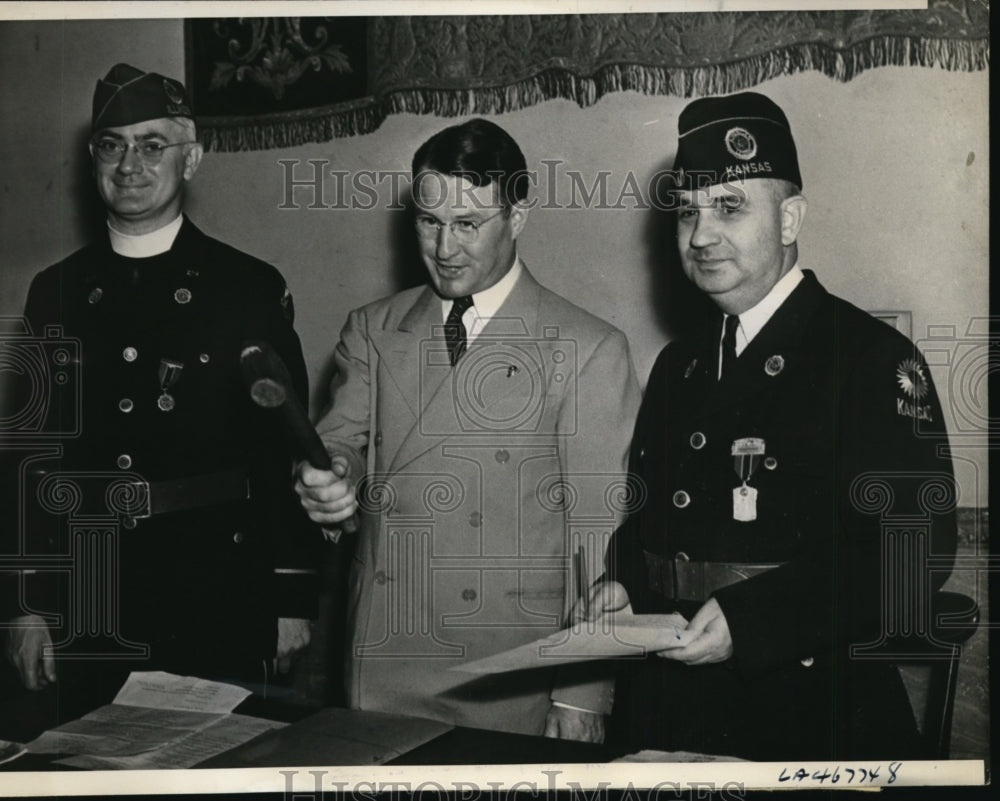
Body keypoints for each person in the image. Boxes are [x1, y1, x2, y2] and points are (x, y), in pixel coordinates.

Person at [582, 92, 957, 760]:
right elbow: (656, 521)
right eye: (688, 211)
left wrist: (752, 621)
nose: (700, 235)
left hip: (804, 715)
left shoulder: (868, 357)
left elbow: (912, 554)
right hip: (667, 710)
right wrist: (623, 582)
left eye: (729, 207)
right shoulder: (679, 365)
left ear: (790, 219)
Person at [0, 64, 320, 736]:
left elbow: (285, 452)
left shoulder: (246, 288)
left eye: (153, 145)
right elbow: (28, 457)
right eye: (113, 144)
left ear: (192, 158)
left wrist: (290, 595)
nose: (130, 164)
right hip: (89, 593)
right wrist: (24, 603)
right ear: (93, 159)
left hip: (216, 585)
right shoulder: (54, 290)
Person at [296, 119, 641, 739]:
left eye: (468, 225)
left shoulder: (589, 348)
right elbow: (340, 442)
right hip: (384, 658)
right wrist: (330, 481)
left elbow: (601, 541)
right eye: (429, 223)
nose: (445, 248)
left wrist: (585, 694)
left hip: (513, 675)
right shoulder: (374, 329)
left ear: (517, 218)